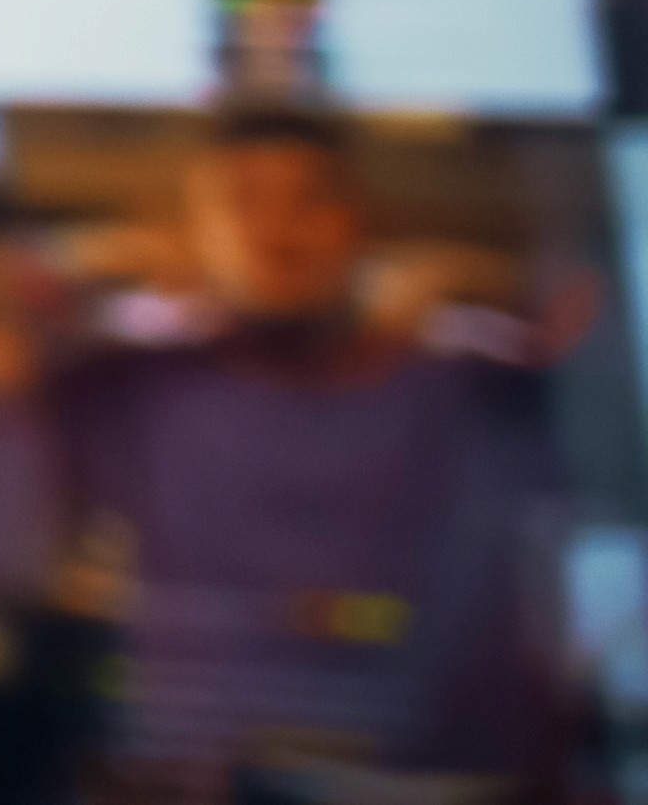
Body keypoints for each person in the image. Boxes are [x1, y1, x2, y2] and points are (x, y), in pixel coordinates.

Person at [35, 115, 571, 797]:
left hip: (433, 778)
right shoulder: (132, 387)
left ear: (360, 223)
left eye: (311, 199)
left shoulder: (462, 380)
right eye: (242, 201)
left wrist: (484, 279)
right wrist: (103, 258)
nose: (278, 228)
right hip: (196, 777)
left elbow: (590, 346)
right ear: (197, 230)